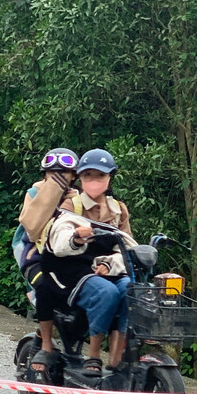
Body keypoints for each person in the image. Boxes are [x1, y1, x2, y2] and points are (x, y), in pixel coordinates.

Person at [40, 147, 135, 375]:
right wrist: (76, 236)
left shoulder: (118, 210)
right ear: (80, 177)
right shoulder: (71, 206)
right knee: (106, 293)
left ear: (109, 177)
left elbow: (127, 247)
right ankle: (93, 355)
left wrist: (109, 264)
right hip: (70, 271)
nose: (94, 181)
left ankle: (116, 356)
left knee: (132, 290)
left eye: (100, 175)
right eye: (88, 175)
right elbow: (59, 240)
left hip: (106, 270)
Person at [16, 148, 80, 371]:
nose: (59, 176)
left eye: (65, 172)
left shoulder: (78, 200)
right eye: (54, 173)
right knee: (46, 287)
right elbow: (32, 229)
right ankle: (44, 345)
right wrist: (53, 190)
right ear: (45, 173)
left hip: (67, 258)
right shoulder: (34, 193)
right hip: (36, 256)